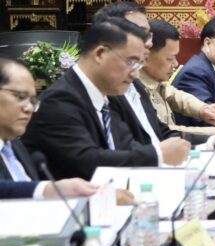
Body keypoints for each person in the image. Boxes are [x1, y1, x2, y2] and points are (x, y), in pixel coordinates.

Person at [22, 18, 189, 179]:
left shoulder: (105, 97)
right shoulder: (60, 100)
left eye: (139, 65)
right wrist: (158, 154)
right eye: (131, 62)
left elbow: (128, 146)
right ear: (100, 54)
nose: (135, 74)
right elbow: (87, 161)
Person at [93, 1, 209, 161]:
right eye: (140, 33)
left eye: (148, 34)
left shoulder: (133, 83)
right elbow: (118, 153)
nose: (149, 42)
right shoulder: (102, 90)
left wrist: (209, 143)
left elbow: (159, 131)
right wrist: (159, 155)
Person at [0, 58, 99, 199]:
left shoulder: (16, 146)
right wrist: (46, 189)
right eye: (20, 97)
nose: (28, 108)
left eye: (33, 101)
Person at [141, 20, 215, 147]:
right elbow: (161, 131)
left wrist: (203, 109)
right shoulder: (133, 87)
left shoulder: (156, 80)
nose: (175, 64)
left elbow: (174, 95)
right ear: (145, 56)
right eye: (169, 58)